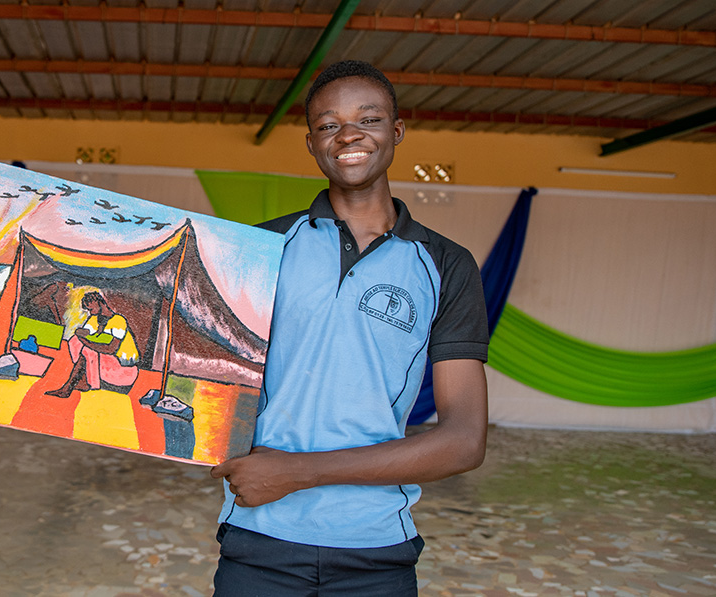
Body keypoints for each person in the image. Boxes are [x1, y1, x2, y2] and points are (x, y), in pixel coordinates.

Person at [209, 60, 490, 595]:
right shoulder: (257, 248)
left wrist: (300, 472)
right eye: (329, 124)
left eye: (369, 119)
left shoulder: (446, 264)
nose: (349, 135)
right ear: (312, 143)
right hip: (258, 540)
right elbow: (199, 374)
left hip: (377, 552)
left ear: (397, 132)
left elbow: (463, 441)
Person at [46, 291, 139, 397]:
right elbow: (82, 332)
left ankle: (70, 388)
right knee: (74, 340)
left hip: (123, 371)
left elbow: (111, 349)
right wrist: (82, 334)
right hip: (104, 367)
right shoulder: (94, 318)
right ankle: (84, 380)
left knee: (87, 350)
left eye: (91, 309)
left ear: (99, 303)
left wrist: (86, 341)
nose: (90, 312)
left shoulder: (118, 320)